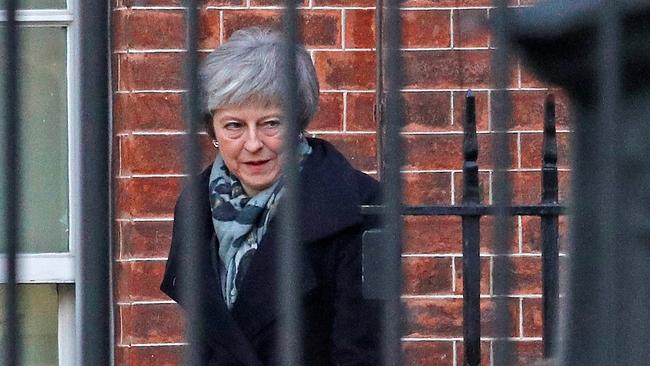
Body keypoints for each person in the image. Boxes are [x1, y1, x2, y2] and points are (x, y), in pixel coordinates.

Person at [160, 27, 382, 365]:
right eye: (234, 125)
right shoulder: (196, 205)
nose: (252, 144)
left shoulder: (359, 206)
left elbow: (363, 352)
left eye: (271, 124)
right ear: (213, 130)